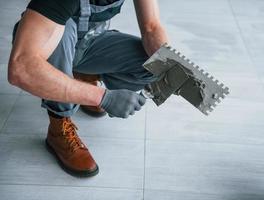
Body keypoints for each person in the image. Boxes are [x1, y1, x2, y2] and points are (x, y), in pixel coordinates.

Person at [8, 0, 168, 177]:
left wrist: (170, 65)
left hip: (87, 44)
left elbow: (152, 27)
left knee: (154, 64)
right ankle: (58, 125)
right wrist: (102, 97)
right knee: (63, 31)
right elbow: (21, 69)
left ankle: (83, 76)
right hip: (47, 45)